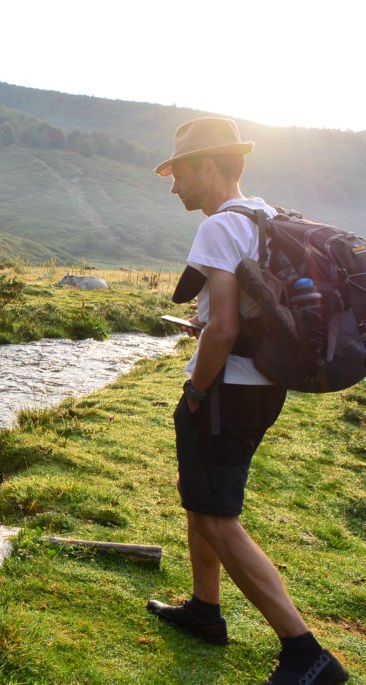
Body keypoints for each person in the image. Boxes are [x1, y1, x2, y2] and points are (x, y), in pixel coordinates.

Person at [147, 117, 349, 685]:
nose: (174, 186)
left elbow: (226, 328)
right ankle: (205, 610)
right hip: (263, 386)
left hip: (226, 391)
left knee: (217, 517)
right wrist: (210, 327)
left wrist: (196, 389)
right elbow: (249, 312)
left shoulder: (218, 228)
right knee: (200, 494)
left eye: (181, 173)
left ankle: (306, 653)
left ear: (210, 165)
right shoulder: (265, 215)